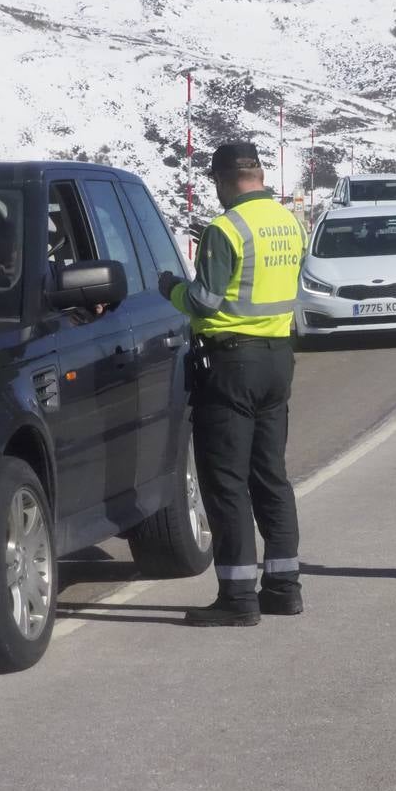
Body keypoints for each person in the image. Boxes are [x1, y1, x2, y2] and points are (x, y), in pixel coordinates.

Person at [157, 142, 306, 626]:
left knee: (226, 483)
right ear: (259, 174)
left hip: (231, 363)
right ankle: (284, 588)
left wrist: (168, 289)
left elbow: (203, 300)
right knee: (271, 478)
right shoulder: (289, 222)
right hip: (277, 360)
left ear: (221, 180)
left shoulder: (226, 228)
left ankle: (238, 597)